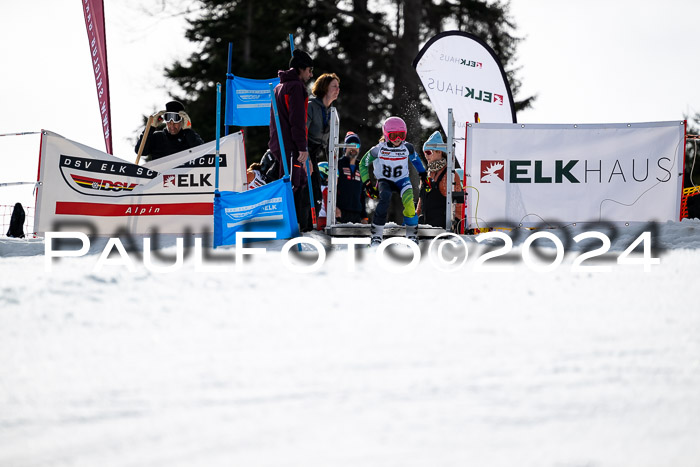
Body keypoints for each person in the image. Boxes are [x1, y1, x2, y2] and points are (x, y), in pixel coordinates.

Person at [359, 117, 427, 245]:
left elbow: (416, 161)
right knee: (385, 197)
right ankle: (376, 235)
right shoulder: (378, 149)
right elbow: (363, 164)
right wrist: (368, 184)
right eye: (393, 135)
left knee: (409, 202)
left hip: (402, 180)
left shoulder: (407, 148)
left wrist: (423, 175)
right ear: (386, 135)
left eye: (401, 135)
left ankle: (411, 235)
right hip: (385, 181)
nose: (398, 140)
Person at [268, 48, 315, 231]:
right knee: (293, 185)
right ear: (300, 69)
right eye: (309, 70)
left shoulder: (280, 86)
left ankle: (291, 225)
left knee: (290, 182)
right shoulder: (295, 87)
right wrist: (302, 148)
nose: (311, 74)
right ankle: (288, 226)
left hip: (279, 143)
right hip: (290, 146)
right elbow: (297, 120)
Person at [306, 73, 340, 221]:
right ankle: (306, 223)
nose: (338, 89)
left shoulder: (332, 111)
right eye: (334, 86)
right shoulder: (310, 106)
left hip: (317, 153)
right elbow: (302, 133)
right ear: (325, 88)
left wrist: (334, 169)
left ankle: (313, 223)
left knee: (317, 192)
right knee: (311, 190)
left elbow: (329, 143)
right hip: (305, 151)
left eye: (339, 87)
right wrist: (305, 156)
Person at [416, 131, 464, 230]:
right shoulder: (425, 176)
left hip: (441, 229)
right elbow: (420, 204)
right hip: (425, 228)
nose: (426, 156)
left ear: (439, 151)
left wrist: (458, 227)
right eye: (425, 152)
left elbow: (458, 206)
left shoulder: (450, 175)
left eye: (429, 152)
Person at [134, 100, 204, 161]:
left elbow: (203, 153)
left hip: (182, 174)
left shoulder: (189, 137)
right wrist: (150, 128)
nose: (172, 125)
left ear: (182, 121)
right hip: (161, 175)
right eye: (169, 121)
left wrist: (187, 130)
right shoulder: (157, 137)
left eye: (175, 121)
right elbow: (140, 151)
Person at [336, 131, 368, 224]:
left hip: (356, 214)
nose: (354, 148)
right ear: (345, 147)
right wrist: (334, 207)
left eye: (356, 145)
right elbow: (331, 188)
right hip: (340, 212)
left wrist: (364, 216)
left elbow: (362, 193)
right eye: (351, 145)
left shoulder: (361, 167)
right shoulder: (338, 164)